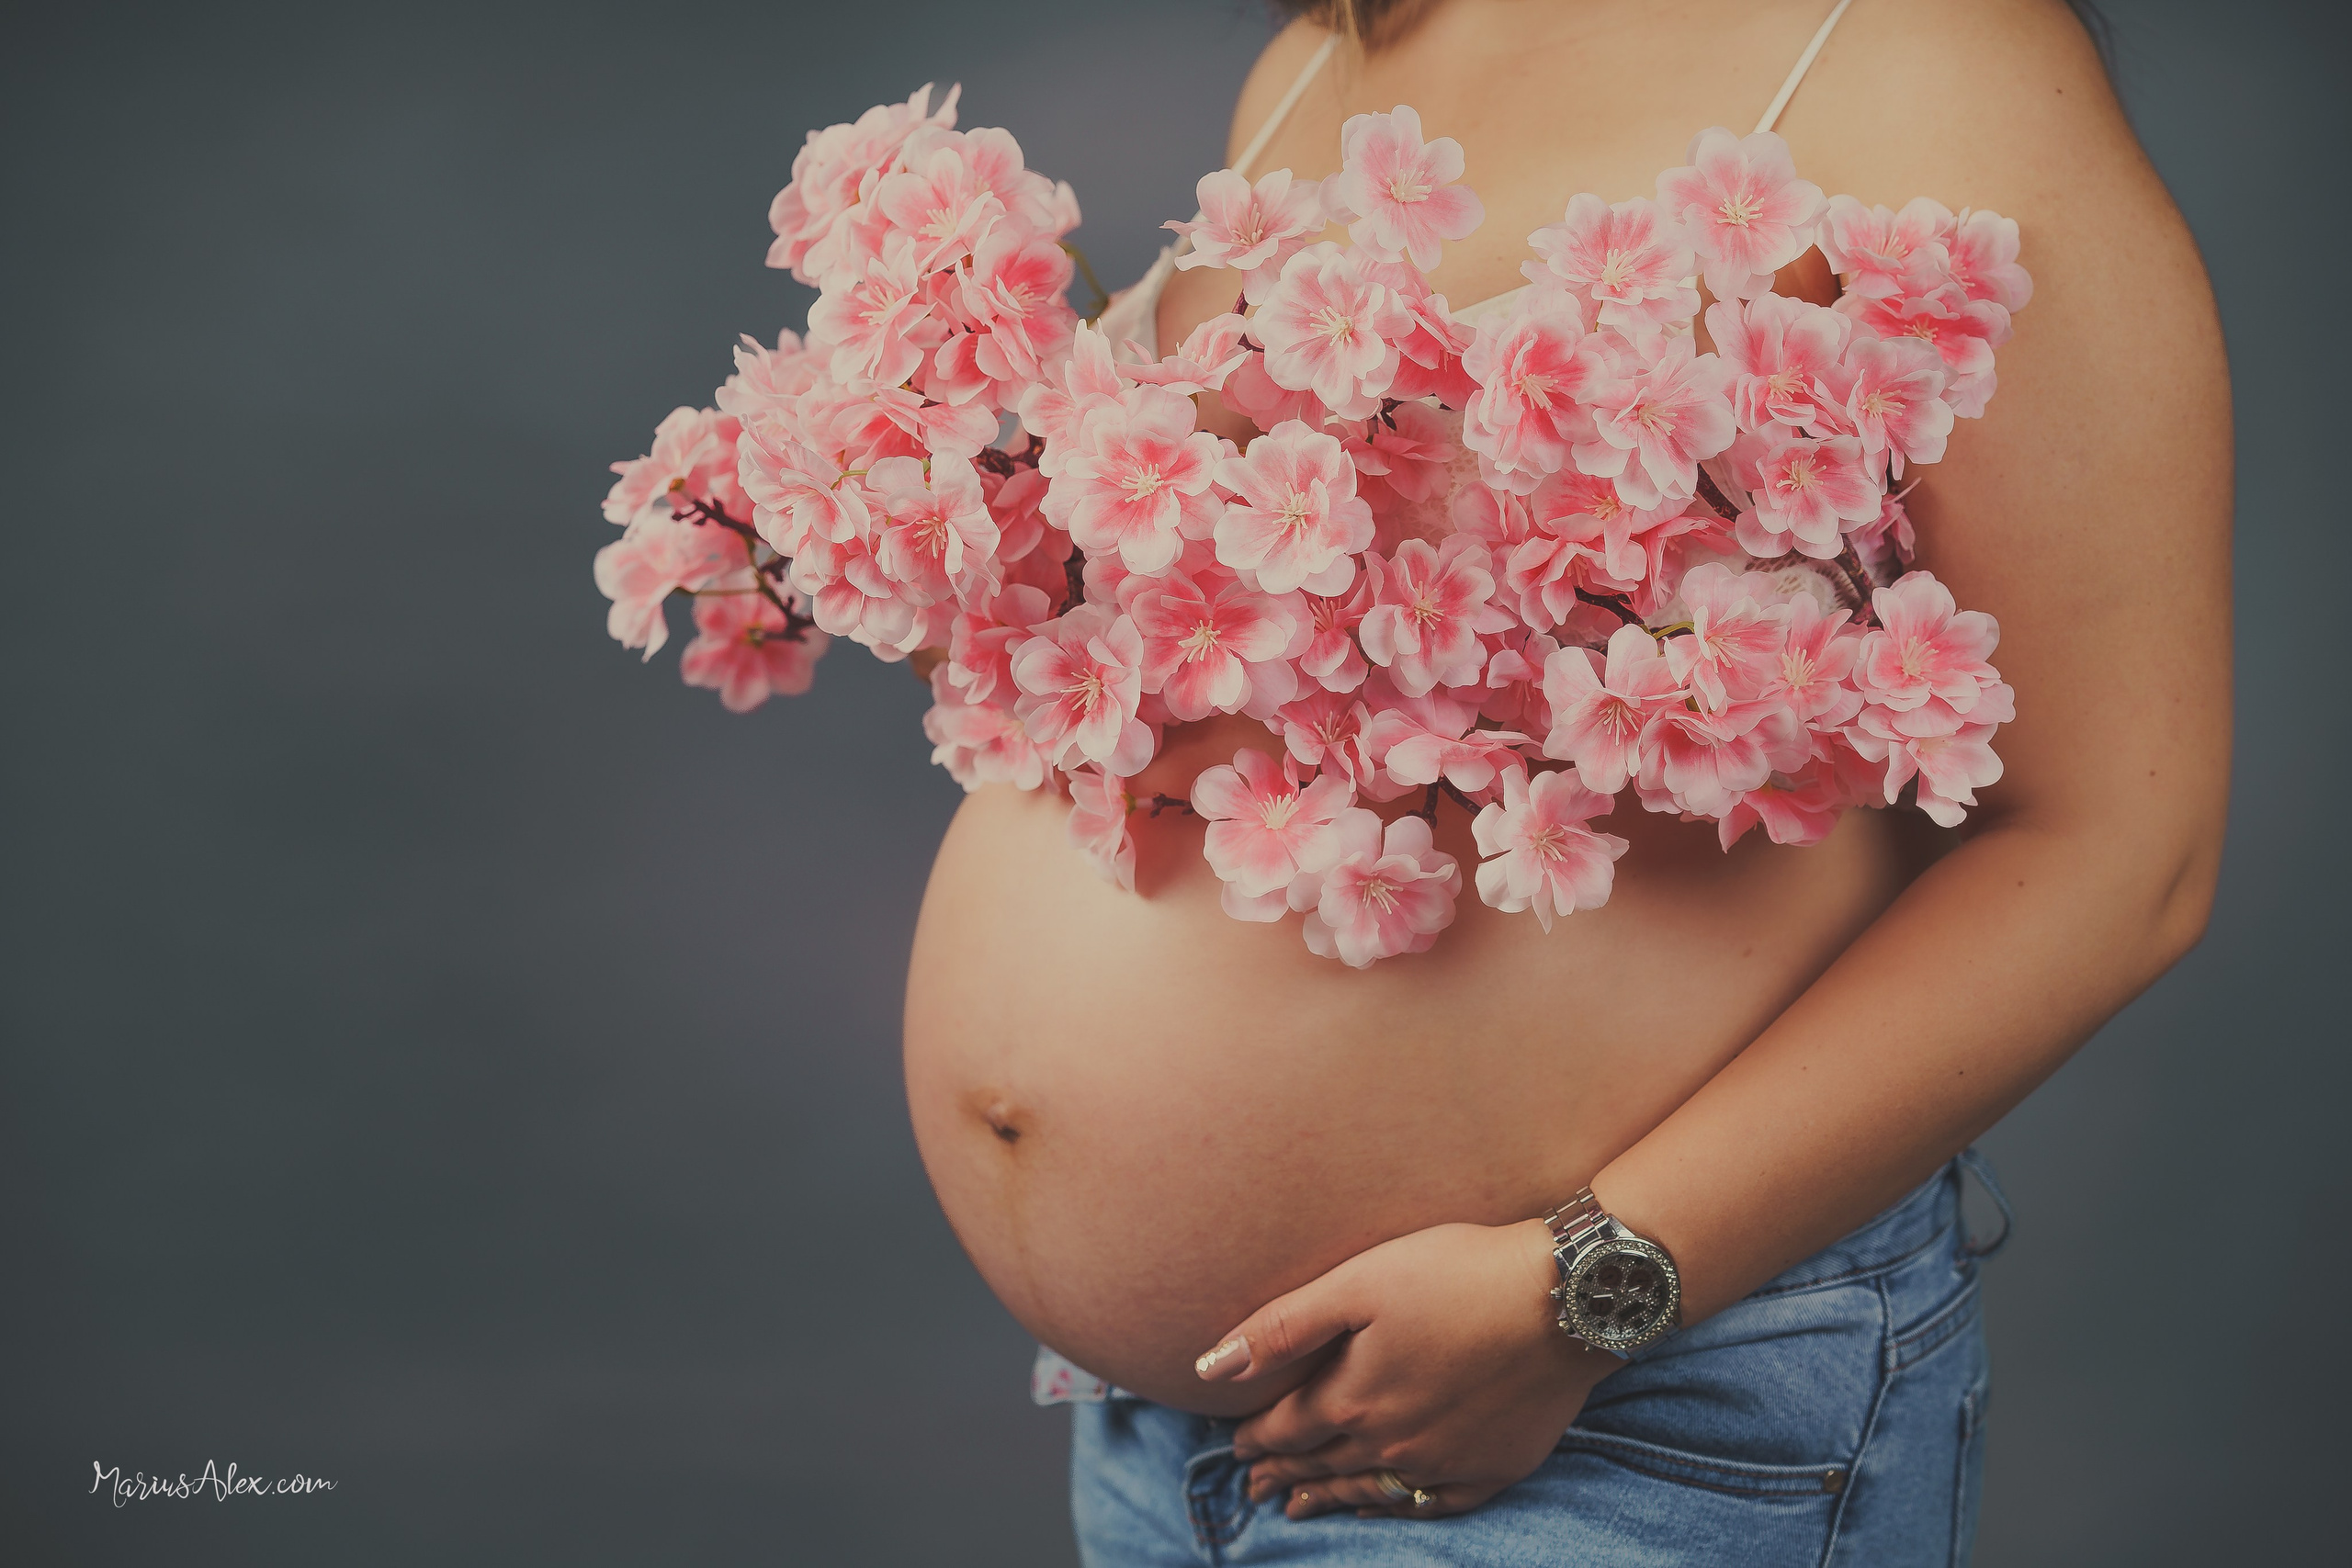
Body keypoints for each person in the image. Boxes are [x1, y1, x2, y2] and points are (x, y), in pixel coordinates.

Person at [901, 0, 2231, 1560]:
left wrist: (1584, 1288)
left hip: (1608, 1412)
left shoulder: (1929, 57)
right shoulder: (1335, 52)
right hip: (1162, 1435)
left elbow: (2120, 846)